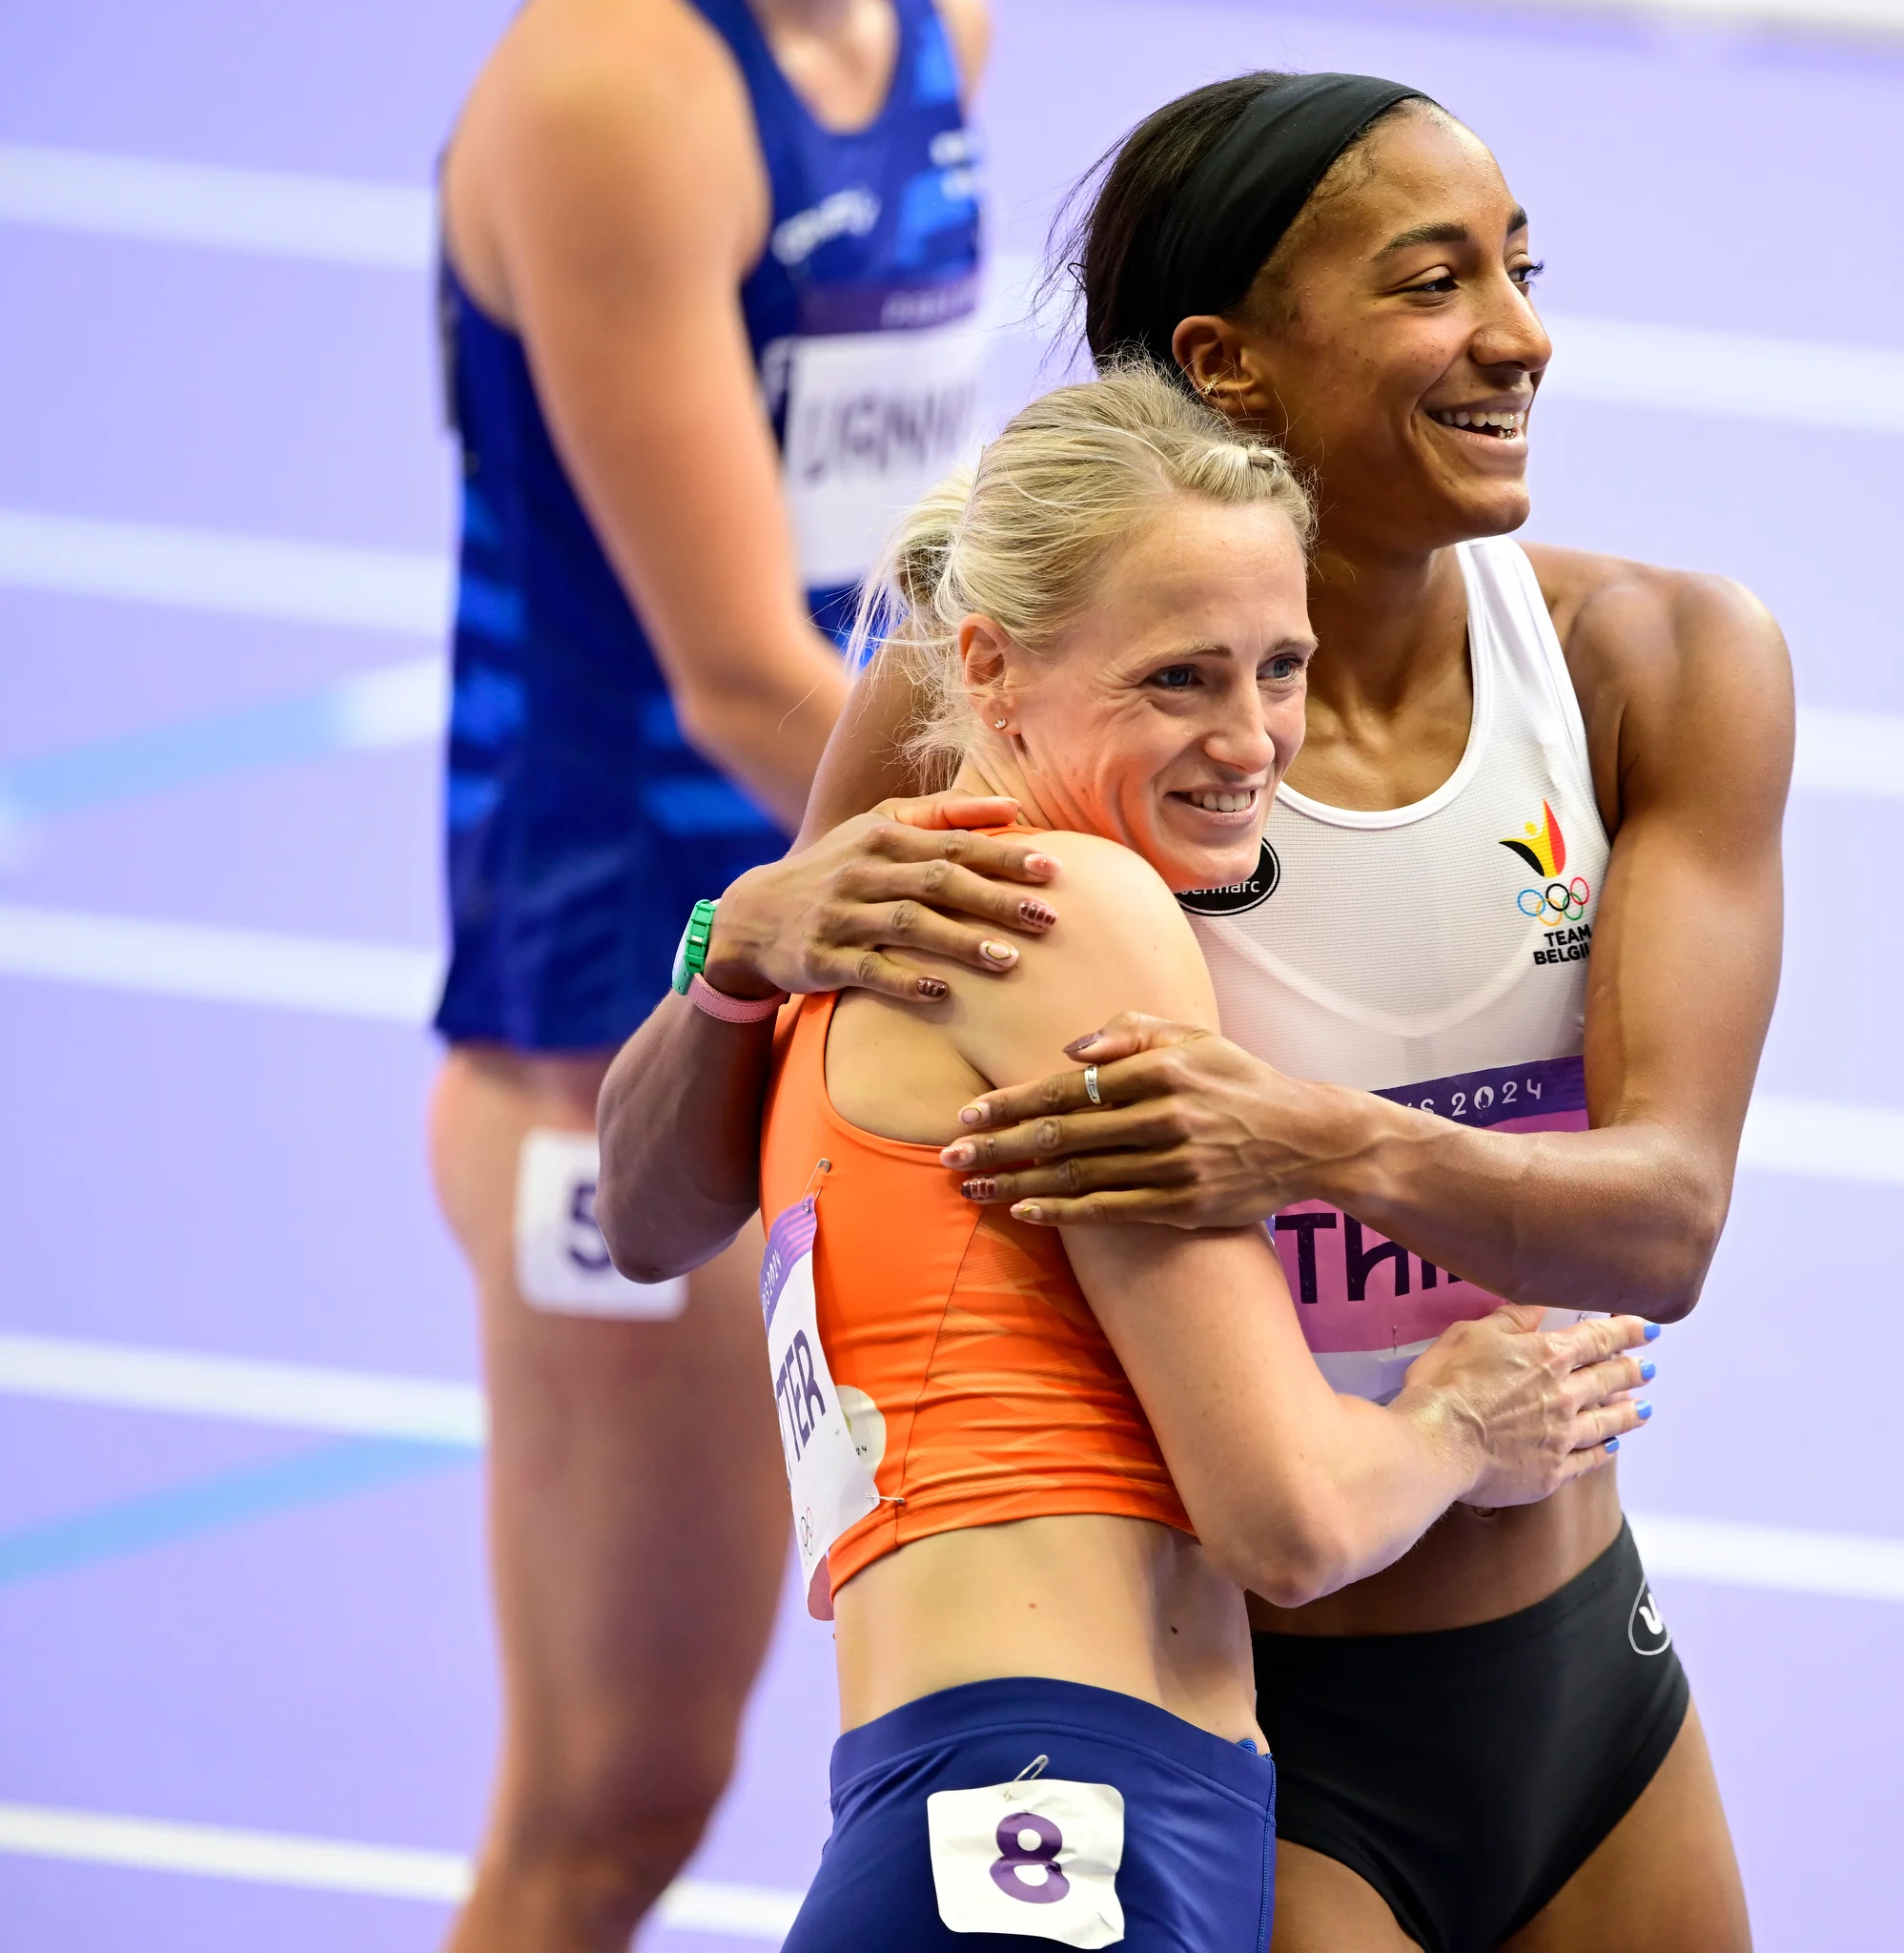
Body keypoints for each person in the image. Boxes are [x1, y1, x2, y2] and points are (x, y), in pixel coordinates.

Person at [600, 72, 1790, 1953]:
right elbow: (660, 1209)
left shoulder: (1655, 661)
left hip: (1579, 1669)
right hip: (1263, 1731)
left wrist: (1304, 1139)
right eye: (1435, 283)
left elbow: (1665, 1227)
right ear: (1229, 363)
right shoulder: (1007, 698)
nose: (1520, 335)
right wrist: (735, 951)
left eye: (1522, 268)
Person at [768, 362, 1655, 1952]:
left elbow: (658, 1210)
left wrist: (715, 952)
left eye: (1282, 668)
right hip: (1064, 1803)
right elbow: (1293, 1523)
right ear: (990, 666)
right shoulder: (1063, 910)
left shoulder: (847, 933)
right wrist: (1465, 1420)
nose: (1255, 742)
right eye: (1180, 678)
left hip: (988, 1788)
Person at [427, 1, 1053, 1945]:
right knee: (614, 1798)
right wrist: (1087, 884)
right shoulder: (615, 96)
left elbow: (896, 555)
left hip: (875, 977)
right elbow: (739, 675)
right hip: (625, 1029)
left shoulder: (936, 27)